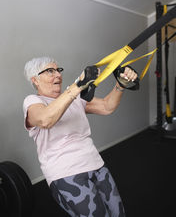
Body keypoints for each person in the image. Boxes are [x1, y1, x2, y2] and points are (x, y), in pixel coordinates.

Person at [23, 56, 137, 217]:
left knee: (118, 213)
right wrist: (78, 86)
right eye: (50, 71)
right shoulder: (33, 101)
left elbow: (106, 107)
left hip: (96, 165)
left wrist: (120, 85)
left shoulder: (74, 97)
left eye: (58, 70)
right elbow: (45, 119)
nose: (58, 75)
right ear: (35, 80)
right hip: (65, 173)